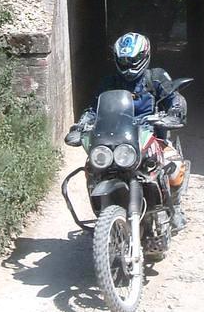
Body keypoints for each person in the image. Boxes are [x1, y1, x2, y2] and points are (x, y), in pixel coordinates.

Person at [66, 32, 189, 231]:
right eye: (123, 61)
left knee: (174, 170)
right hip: (117, 138)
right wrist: (80, 126)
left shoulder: (155, 77)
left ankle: (174, 206)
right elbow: (93, 109)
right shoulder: (109, 83)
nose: (129, 65)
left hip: (151, 137)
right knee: (92, 168)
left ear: (145, 56)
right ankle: (105, 214)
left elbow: (174, 98)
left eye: (133, 60)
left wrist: (174, 112)